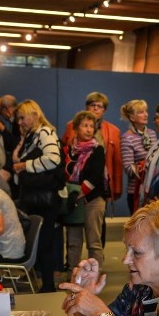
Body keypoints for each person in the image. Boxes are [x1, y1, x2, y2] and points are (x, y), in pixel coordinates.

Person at [11, 99, 63, 292]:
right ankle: (43, 280)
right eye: (18, 119)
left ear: (35, 115)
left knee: (45, 242)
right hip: (33, 199)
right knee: (40, 241)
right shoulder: (31, 136)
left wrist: (25, 166)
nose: (20, 122)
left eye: (22, 117)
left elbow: (53, 159)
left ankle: (48, 284)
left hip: (44, 201)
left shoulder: (44, 132)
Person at [64, 111, 107, 270]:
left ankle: (95, 275)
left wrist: (76, 194)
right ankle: (72, 274)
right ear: (76, 128)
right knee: (73, 242)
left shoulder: (98, 150)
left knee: (93, 242)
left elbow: (95, 178)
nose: (89, 129)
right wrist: (71, 195)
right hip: (74, 201)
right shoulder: (69, 149)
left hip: (93, 200)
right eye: (85, 126)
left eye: (91, 126)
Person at [62, 91, 123, 201]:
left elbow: (117, 161)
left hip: (101, 184)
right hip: (73, 183)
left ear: (104, 110)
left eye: (99, 106)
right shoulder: (71, 125)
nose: (95, 108)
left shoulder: (114, 131)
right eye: (92, 105)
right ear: (86, 107)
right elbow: (64, 151)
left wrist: (117, 188)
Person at [119, 99, 157, 213]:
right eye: (141, 112)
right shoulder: (127, 137)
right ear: (132, 117)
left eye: (146, 111)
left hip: (151, 189)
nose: (146, 115)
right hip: (135, 191)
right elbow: (129, 169)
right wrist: (146, 166)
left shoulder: (152, 133)